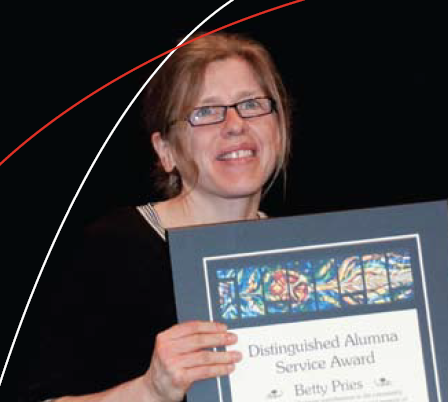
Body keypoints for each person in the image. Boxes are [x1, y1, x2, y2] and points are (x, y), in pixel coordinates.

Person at [24, 31, 291, 401]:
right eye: (206, 112)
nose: (234, 124)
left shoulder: (305, 253)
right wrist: (150, 390)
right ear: (166, 150)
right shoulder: (112, 249)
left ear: (278, 129)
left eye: (251, 104)